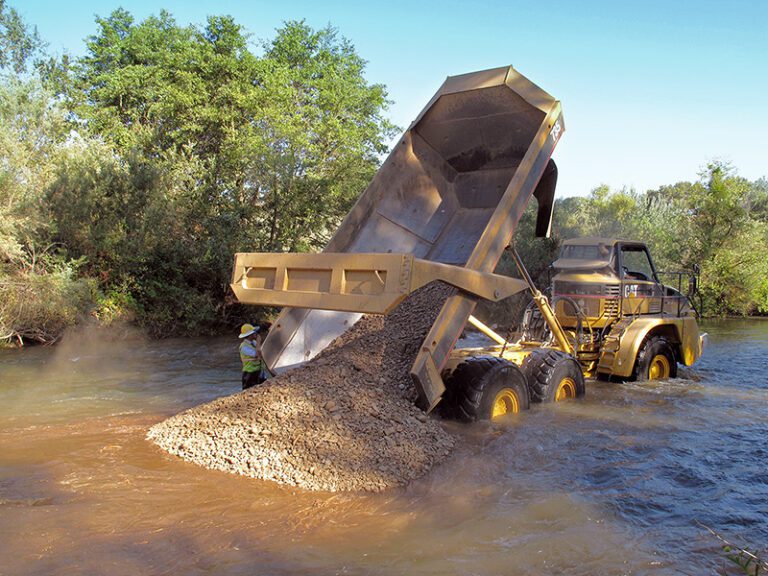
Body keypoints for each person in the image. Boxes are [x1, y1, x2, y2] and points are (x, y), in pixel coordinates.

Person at [239, 323, 269, 390]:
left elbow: (261, 352)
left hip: (259, 370)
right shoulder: (243, 347)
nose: (256, 333)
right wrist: (258, 341)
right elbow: (257, 354)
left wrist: (257, 343)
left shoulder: (254, 343)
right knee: (249, 391)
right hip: (249, 373)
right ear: (249, 335)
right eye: (254, 332)